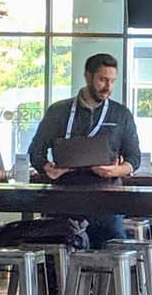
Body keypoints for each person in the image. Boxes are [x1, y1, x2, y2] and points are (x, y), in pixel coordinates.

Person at [24, 53, 141, 247]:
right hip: (64, 197)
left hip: (107, 199)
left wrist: (116, 171)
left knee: (113, 249)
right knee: (57, 256)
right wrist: (47, 168)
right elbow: (36, 151)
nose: (108, 87)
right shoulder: (59, 111)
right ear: (88, 76)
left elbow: (134, 158)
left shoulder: (121, 114)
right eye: (103, 80)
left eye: (112, 81)